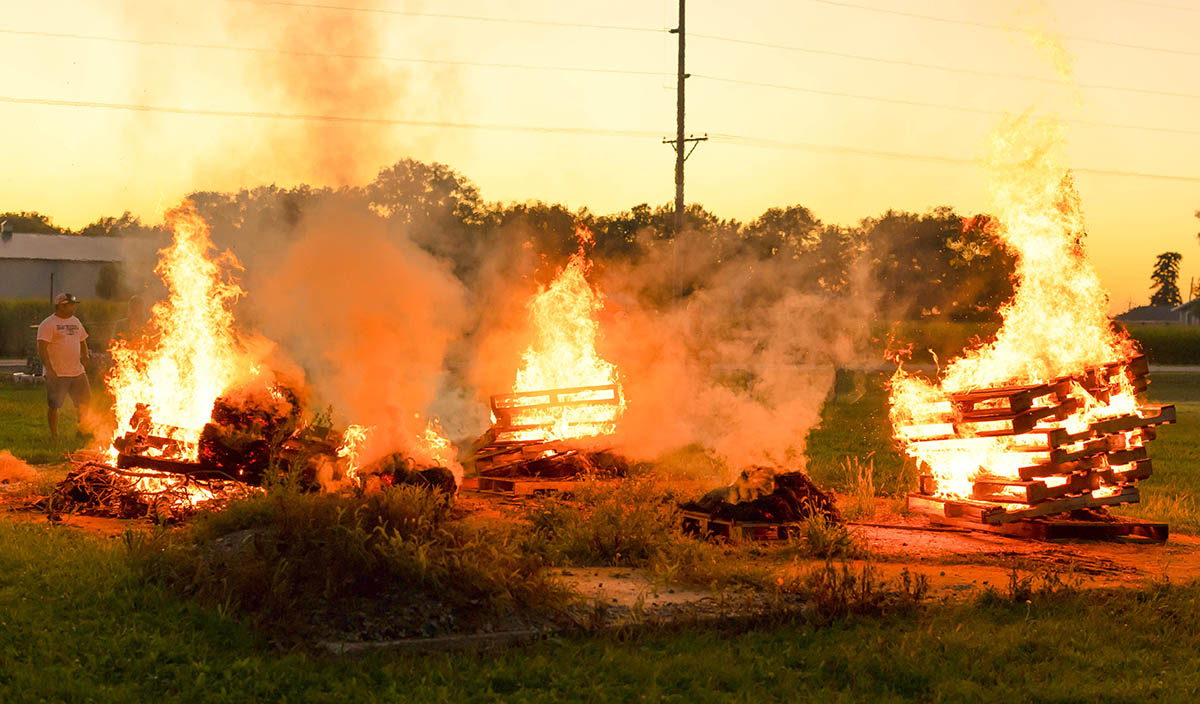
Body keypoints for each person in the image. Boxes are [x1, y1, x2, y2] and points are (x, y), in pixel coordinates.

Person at [36, 293, 91, 440]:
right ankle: (54, 435)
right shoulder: (48, 324)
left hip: (77, 371)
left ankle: (82, 430)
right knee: (54, 405)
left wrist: (85, 355)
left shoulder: (76, 322)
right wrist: (49, 368)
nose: (74, 307)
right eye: (71, 305)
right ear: (62, 305)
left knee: (84, 402)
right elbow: (42, 347)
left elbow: (82, 340)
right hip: (57, 373)